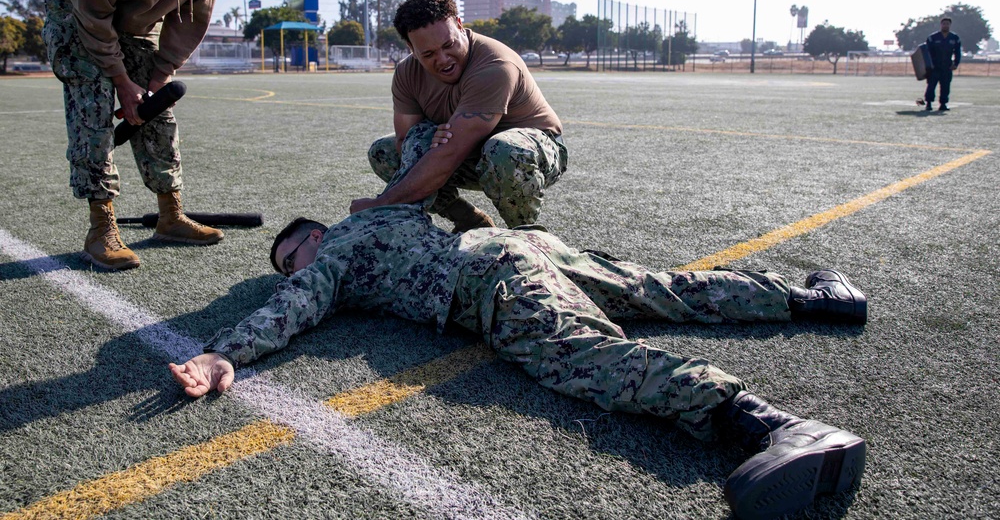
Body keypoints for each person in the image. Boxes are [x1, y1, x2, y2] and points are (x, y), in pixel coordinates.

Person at [171, 204, 868, 519]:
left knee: (586, 355)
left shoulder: (342, 247)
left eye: (293, 259)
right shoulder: (386, 213)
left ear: (315, 236)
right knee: (662, 289)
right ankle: (816, 297)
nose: (295, 274)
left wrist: (223, 353)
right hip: (522, 246)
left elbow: (291, 309)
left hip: (490, 283)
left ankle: (766, 424)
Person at [40, 0, 234, 271]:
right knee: (92, 107)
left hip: (134, 20)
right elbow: (92, 14)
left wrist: (158, 76)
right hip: (76, 6)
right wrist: (120, 82)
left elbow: (192, 18)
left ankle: (170, 216)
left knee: (156, 112)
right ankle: (101, 228)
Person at [358, 0, 568, 233]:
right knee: (384, 152)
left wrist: (381, 204)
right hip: (469, 154)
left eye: (449, 45)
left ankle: (527, 238)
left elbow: (450, 153)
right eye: (428, 54)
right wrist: (428, 140)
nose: (444, 59)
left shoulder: (495, 65)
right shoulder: (407, 72)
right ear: (410, 47)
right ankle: (468, 219)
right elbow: (406, 144)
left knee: (502, 151)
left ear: (459, 25)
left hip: (532, 154)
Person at [922, 17, 961, 112]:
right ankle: (929, 103)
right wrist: (928, 66)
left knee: (945, 86)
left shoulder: (954, 38)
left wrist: (955, 64)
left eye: (947, 24)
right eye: (944, 24)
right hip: (934, 66)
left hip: (947, 66)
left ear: (950, 25)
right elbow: (927, 53)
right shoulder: (933, 37)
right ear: (941, 25)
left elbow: (957, 52)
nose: (945, 25)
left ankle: (943, 104)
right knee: (931, 85)